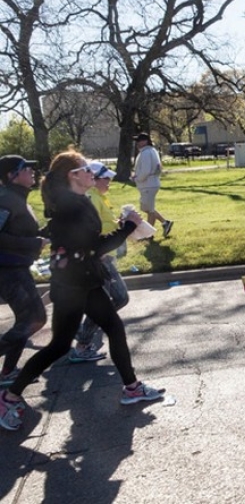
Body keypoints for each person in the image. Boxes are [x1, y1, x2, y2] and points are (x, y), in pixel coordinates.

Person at [0, 151, 165, 432]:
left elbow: (74, 239)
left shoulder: (74, 202)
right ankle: (9, 396)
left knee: (112, 327)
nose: (93, 173)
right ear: (72, 175)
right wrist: (128, 227)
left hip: (82, 281)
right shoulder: (72, 206)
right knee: (59, 346)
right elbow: (94, 247)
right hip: (73, 285)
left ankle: (132, 387)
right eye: (87, 169)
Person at [69, 160, 130, 363]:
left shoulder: (98, 197)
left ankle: (83, 336)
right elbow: (87, 232)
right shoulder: (90, 199)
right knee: (119, 298)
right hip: (99, 257)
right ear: (93, 179)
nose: (109, 181)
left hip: (103, 254)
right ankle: (82, 339)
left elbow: (102, 225)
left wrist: (119, 225)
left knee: (115, 299)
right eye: (105, 178)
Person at [0, 155, 49, 390]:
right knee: (35, 318)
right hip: (8, 271)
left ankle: (8, 371)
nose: (31, 171)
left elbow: (22, 230)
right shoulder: (5, 199)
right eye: (25, 168)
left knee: (25, 320)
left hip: (17, 267)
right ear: (11, 175)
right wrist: (32, 244)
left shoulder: (16, 198)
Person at [132, 132, 173, 238]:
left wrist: (137, 178)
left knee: (148, 209)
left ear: (145, 141)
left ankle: (150, 232)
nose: (137, 143)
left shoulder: (146, 153)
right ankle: (163, 224)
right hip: (150, 183)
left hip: (148, 184)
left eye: (139, 140)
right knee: (148, 208)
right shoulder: (151, 151)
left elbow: (145, 171)